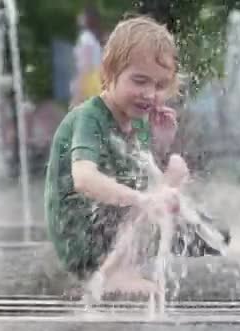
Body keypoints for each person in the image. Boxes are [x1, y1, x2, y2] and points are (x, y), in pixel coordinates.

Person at [44, 16, 229, 300]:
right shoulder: (89, 117)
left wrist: (162, 142)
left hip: (111, 227)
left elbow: (141, 172)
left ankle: (125, 263)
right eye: (139, 80)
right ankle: (114, 275)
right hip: (82, 239)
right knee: (166, 187)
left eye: (160, 85)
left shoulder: (139, 120)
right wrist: (144, 200)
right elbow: (84, 178)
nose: (150, 94)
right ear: (109, 73)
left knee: (214, 233)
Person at [69, 5, 103, 108]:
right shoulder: (93, 39)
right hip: (95, 81)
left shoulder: (86, 38)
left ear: (87, 18)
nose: (79, 17)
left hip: (88, 82)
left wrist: (78, 88)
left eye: (82, 15)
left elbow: (85, 65)